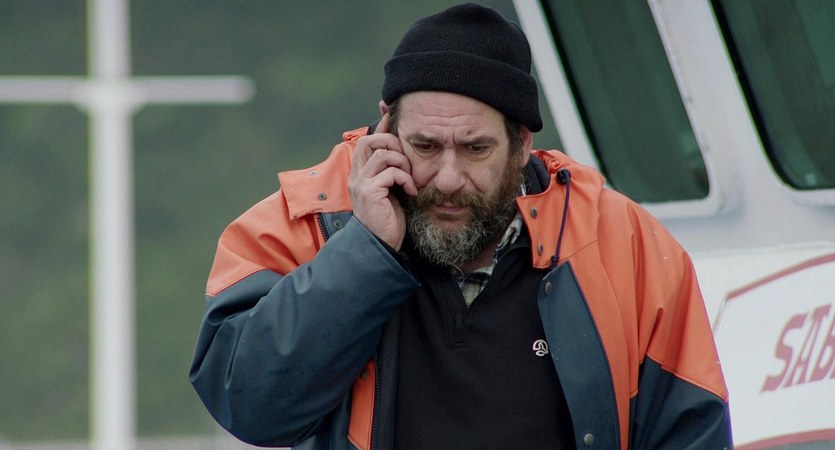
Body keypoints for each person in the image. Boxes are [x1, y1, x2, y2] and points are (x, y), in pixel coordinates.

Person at [189, 3, 733, 449]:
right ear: (386, 128)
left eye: (475, 149)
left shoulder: (624, 244)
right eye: (424, 146)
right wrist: (366, 250)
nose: (447, 178)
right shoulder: (311, 220)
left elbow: (690, 433)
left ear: (522, 144)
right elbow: (247, 405)